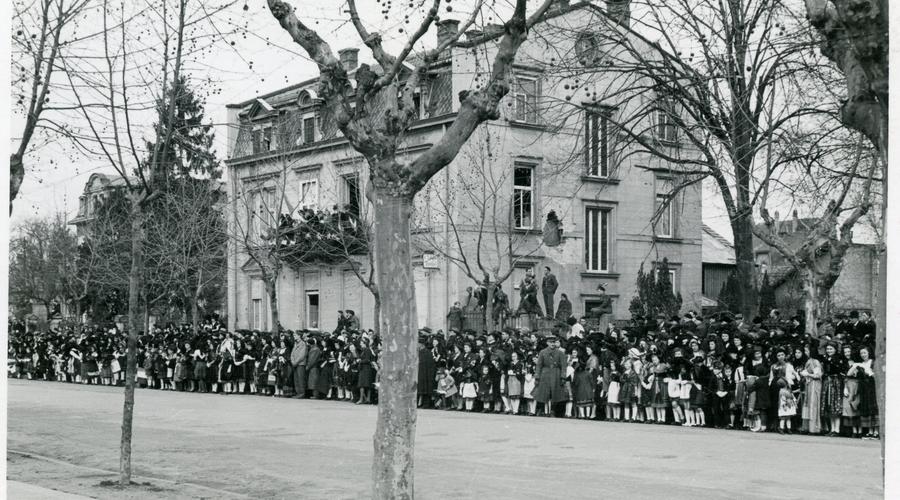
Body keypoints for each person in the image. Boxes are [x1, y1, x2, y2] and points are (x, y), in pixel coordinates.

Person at [533, 336, 566, 416]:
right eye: (551, 342)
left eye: (554, 342)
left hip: (556, 374)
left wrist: (563, 377)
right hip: (545, 374)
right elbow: (539, 365)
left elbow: (563, 366)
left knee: (555, 393)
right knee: (542, 392)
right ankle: (541, 410)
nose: (552, 344)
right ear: (547, 343)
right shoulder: (542, 352)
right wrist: (537, 376)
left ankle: (552, 411)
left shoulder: (560, 353)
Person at [291, 332, 309, 399]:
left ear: (299, 336)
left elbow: (302, 355)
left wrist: (295, 362)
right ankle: (298, 392)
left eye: (295, 335)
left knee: (300, 378)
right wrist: (292, 361)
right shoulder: (295, 343)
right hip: (295, 363)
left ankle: (302, 393)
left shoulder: (303, 344)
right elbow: (292, 353)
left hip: (300, 364)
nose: (294, 336)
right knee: (296, 379)